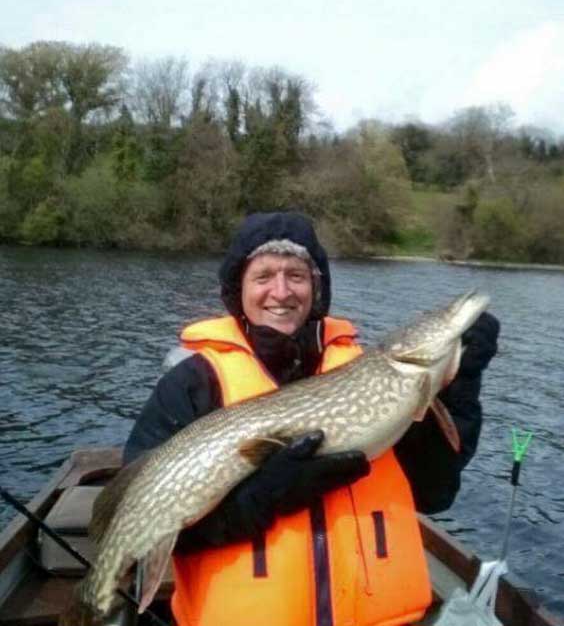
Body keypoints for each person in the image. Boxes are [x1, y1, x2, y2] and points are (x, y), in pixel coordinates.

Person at [124, 211, 500, 626]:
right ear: (239, 289)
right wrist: (259, 499)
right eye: (263, 276)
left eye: (297, 276)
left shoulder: (372, 376)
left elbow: (435, 490)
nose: (280, 291)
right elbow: (153, 522)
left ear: (316, 287)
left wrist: (461, 385)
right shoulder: (192, 384)